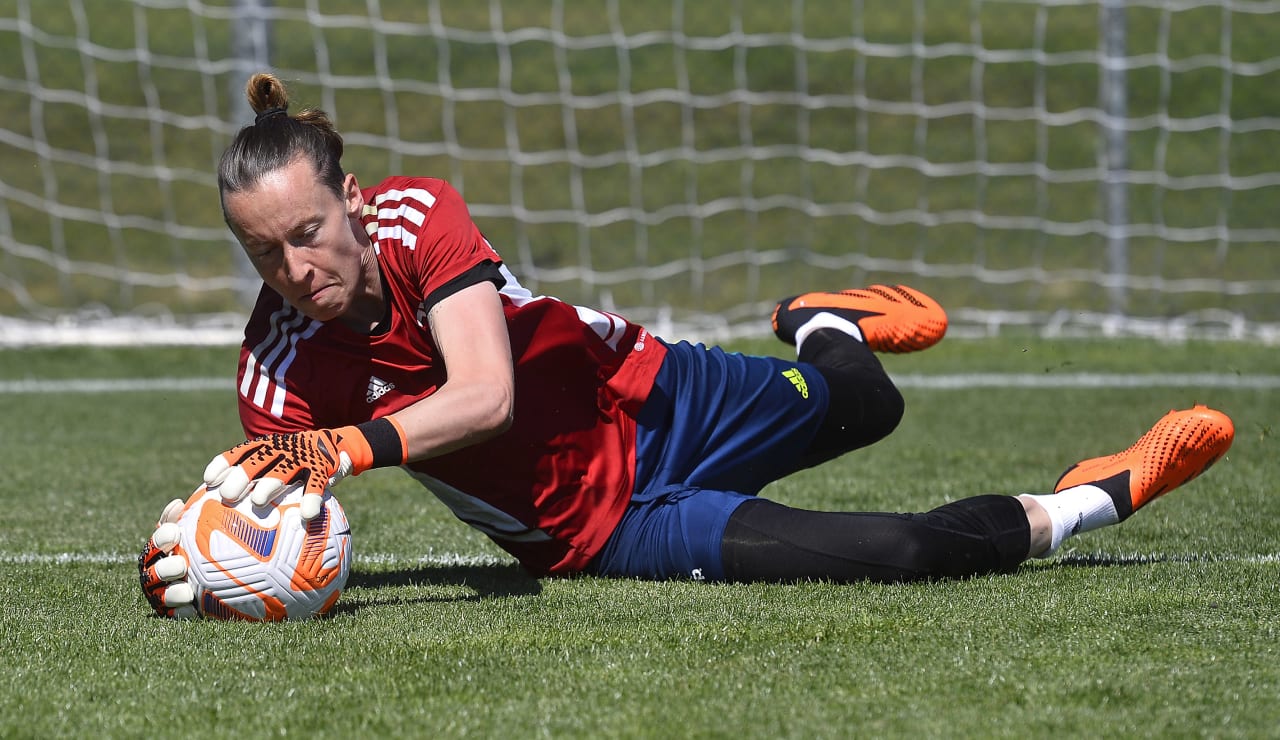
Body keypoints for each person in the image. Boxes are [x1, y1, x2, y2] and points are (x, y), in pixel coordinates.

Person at [139, 73, 1236, 617]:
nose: (294, 270)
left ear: (350, 198)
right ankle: (1096, 494)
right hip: (610, 521)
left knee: (874, 406)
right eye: (263, 254)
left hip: (654, 387)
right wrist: (195, 552)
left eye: (307, 233)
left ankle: (822, 322)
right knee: (893, 555)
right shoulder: (273, 374)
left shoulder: (418, 217)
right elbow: (278, 511)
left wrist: (348, 447)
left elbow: (483, 396)